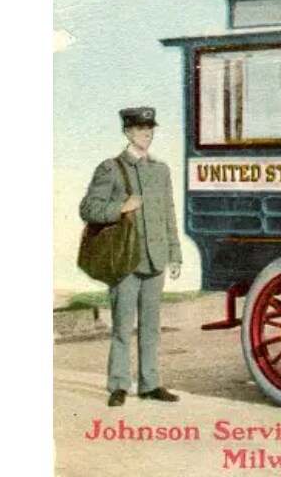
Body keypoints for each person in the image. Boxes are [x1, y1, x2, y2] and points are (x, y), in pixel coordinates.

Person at [79, 107, 182, 407]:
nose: (146, 135)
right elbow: (87, 209)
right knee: (123, 325)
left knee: (151, 326)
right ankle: (119, 385)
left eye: (150, 130)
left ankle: (150, 385)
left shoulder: (161, 170)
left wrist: (174, 253)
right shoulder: (110, 169)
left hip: (155, 258)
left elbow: (168, 213)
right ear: (127, 132)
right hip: (125, 259)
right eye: (140, 130)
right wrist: (120, 208)